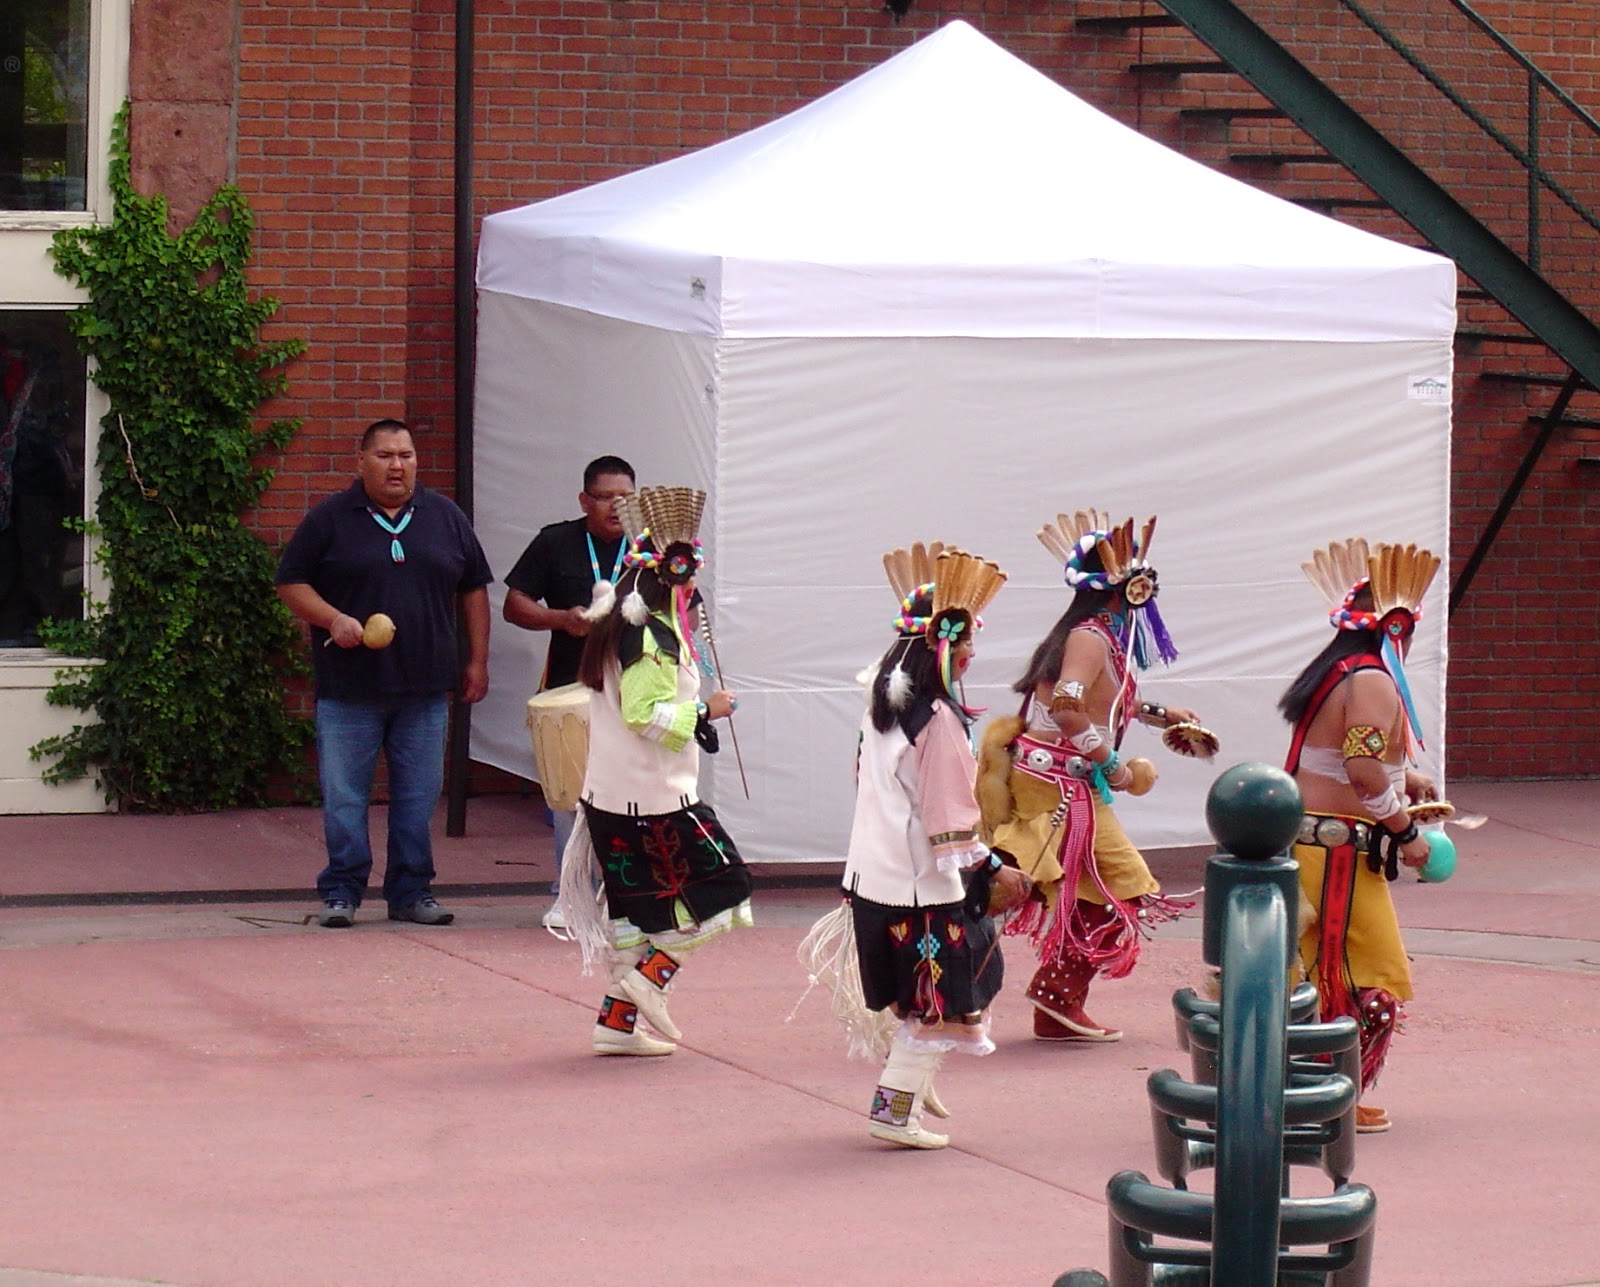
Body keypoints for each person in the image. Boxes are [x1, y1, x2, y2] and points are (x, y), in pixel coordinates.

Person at [798, 543, 1029, 1151]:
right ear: (943, 647)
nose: (973, 654)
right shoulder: (939, 721)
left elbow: (869, 788)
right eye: (968, 642)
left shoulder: (882, 710)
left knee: (925, 997)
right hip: (922, 886)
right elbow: (948, 820)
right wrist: (994, 866)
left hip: (873, 877)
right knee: (942, 1002)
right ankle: (895, 1109)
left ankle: (913, 1083)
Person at [977, 510, 1197, 1043]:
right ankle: (1050, 992)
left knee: (1097, 891)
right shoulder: (1090, 638)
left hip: (1059, 779)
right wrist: (1112, 765)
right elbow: (1070, 708)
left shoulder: (1094, 636)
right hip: (1059, 784)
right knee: (1124, 885)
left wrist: (1165, 716)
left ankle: (1056, 1000)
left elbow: (1105, 700)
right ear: (1128, 590)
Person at [551, 484, 752, 1056]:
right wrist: (706, 710)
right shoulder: (649, 635)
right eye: (690, 577)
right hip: (654, 799)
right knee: (726, 888)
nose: (694, 588)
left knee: (635, 913)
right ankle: (647, 982)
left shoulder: (620, 622)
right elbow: (644, 715)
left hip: (613, 796)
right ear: (674, 576)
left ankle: (615, 1026)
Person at [276, 418, 492, 929]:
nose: (397, 466)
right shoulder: (330, 518)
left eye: (406, 455)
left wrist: (477, 661)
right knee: (345, 798)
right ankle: (341, 892)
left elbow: (474, 589)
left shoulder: (446, 517)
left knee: (418, 799)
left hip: (425, 689)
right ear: (361, 461)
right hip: (349, 690)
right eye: (385, 455)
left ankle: (411, 892)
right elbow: (290, 583)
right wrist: (333, 618)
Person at [1280, 537, 1441, 1134]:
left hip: (1318, 845)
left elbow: (1334, 758)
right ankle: (1318, 1092)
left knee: (1320, 970)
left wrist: (1407, 777)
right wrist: (1405, 831)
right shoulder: (1372, 679)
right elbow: (1363, 771)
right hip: (1336, 855)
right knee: (1368, 977)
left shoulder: (1341, 670)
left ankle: (1306, 1088)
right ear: (1395, 628)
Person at [503, 455, 636, 925]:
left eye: (626, 498)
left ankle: (625, 896)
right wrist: (560, 619)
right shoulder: (556, 541)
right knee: (570, 796)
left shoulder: (654, 548)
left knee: (634, 793)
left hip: (637, 689)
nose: (616, 506)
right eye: (605, 497)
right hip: (571, 687)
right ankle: (570, 893)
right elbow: (514, 604)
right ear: (584, 500)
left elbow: (685, 608)